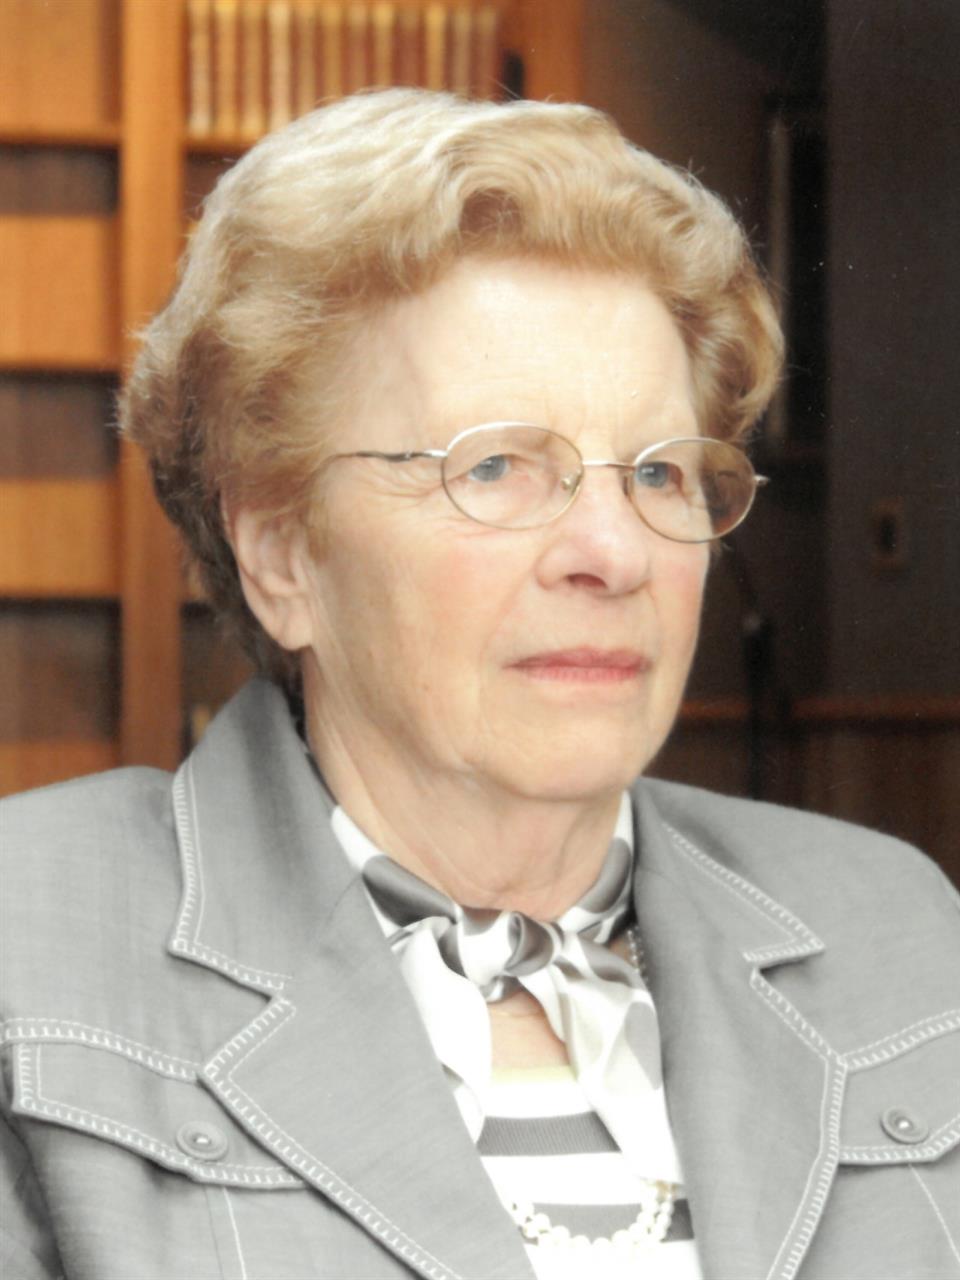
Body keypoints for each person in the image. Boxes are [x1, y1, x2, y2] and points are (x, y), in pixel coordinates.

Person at [2, 88, 958, 1280]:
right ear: (281, 552)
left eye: (659, 472)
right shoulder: (27, 945)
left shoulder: (901, 931)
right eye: (497, 465)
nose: (613, 552)